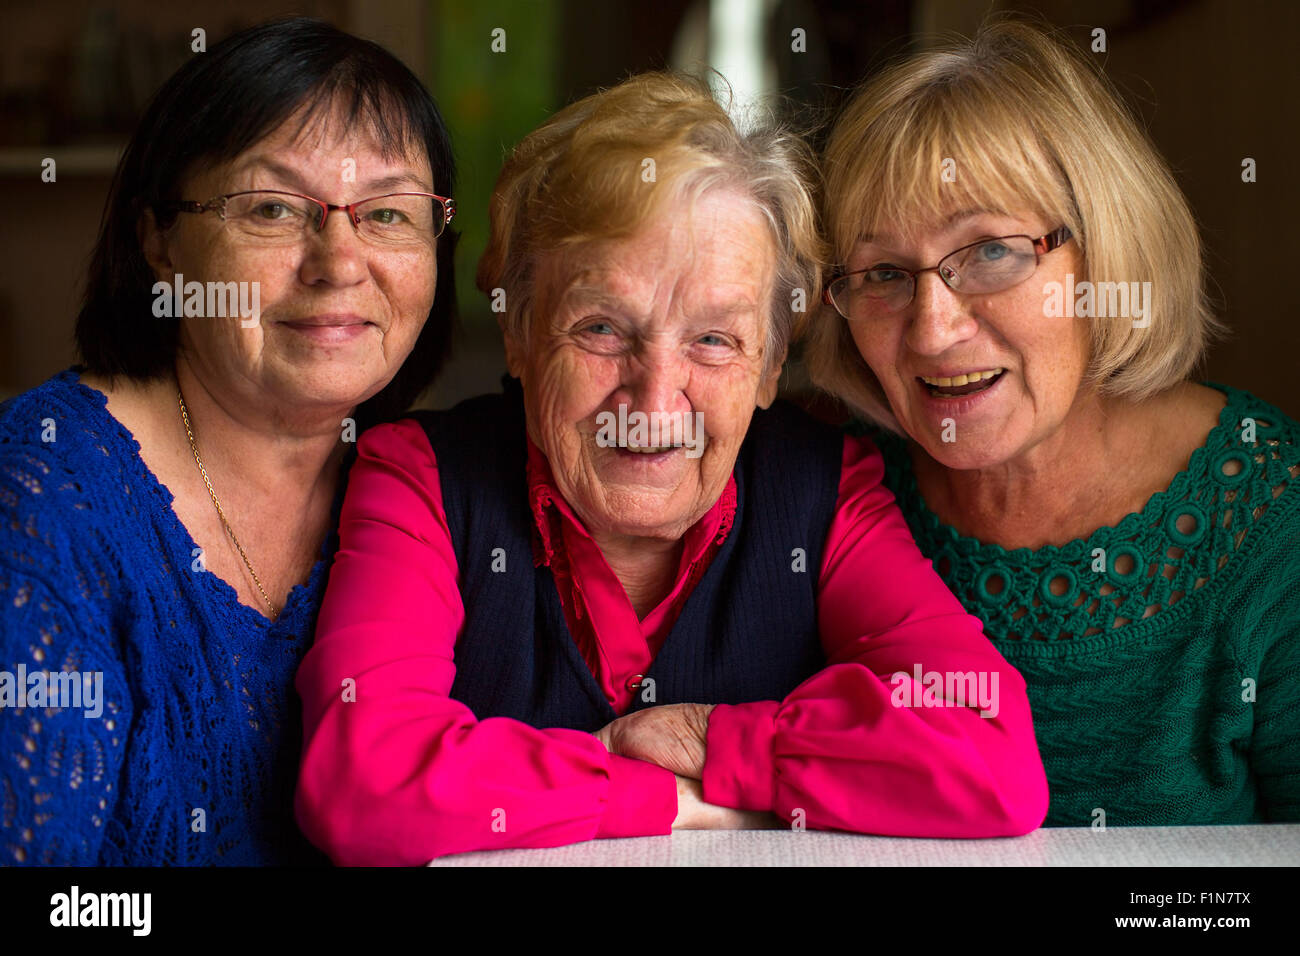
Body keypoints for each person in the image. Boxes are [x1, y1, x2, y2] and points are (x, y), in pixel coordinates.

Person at [294, 71, 1048, 865]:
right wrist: (673, 799)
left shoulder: (827, 492)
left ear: (769, 366)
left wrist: (706, 737)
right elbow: (359, 783)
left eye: (714, 340)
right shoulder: (418, 477)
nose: (654, 400)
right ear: (518, 335)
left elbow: (990, 750)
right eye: (600, 328)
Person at [809, 19, 1299, 826]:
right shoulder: (832, 496)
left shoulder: (1272, 521)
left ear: (1106, 253)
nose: (933, 330)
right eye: (885, 274)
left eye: (992, 251)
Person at [0, 17, 457, 864]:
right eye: (275, 208)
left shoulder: (438, 488)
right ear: (160, 240)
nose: (340, 261)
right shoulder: (41, 499)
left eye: (389, 212)